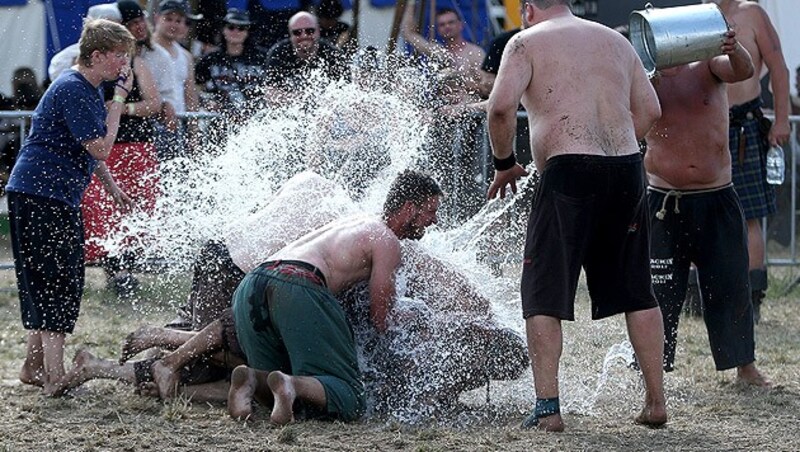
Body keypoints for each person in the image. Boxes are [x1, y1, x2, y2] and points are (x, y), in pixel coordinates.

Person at [486, 0, 666, 431]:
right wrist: (614, 148)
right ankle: (656, 401)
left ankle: (548, 409)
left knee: (543, 289)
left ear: (528, 9)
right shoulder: (615, 42)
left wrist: (505, 162)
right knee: (637, 290)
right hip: (625, 168)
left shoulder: (525, 42)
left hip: (567, 170)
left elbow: (499, 108)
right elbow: (651, 111)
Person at [227, 170, 442, 425]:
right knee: (349, 397)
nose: (434, 220)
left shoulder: (356, 222)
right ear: (409, 208)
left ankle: (252, 379)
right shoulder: (386, 241)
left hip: (253, 283)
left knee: (285, 391)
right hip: (297, 284)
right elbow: (382, 319)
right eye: (430, 211)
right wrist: (419, 316)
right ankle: (290, 383)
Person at [5, 18, 135, 396]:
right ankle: (54, 377)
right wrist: (121, 98)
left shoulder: (86, 87)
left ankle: (34, 369)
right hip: (41, 195)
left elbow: (92, 154)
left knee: (51, 279)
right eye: (118, 57)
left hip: (44, 194)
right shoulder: (77, 88)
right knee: (57, 281)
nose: (124, 66)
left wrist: (111, 187)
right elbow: (101, 147)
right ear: (96, 56)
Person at [644, 30, 772, 386]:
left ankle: (744, 366)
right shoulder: (643, 74)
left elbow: (743, 70)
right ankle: (652, 368)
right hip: (663, 202)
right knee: (659, 291)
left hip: (716, 197)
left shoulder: (707, 64)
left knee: (731, 284)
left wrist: (735, 48)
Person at [709, 0, 791, 322]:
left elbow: (779, 67)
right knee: (698, 211)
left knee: (748, 216)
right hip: (707, 124)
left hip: (743, 124)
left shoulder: (752, 13)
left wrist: (782, 119)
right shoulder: (698, 16)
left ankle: (752, 296)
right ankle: (698, 293)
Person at [82, 0, 164, 297]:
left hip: (136, 146)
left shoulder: (136, 64)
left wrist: (122, 106)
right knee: (104, 210)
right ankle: (115, 269)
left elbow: (153, 104)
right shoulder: (84, 68)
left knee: (135, 208)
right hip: (104, 147)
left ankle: (127, 269)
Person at [195, 8, 269, 118]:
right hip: (218, 120)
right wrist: (206, 102)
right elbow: (193, 86)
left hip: (255, 119)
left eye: (241, 28)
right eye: (231, 27)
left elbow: (272, 85)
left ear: (247, 32)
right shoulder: (210, 59)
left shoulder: (261, 57)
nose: (236, 32)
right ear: (223, 30)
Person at [400, 2, 485, 95]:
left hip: (469, 106)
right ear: (439, 30)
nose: (447, 26)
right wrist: (410, 3)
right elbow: (408, 34)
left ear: (460, 25)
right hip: (442, 106)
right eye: (442, 24)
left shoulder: (475, 53)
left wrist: (460, 80)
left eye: (451, 22)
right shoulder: (439, 52)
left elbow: (486, 87)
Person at [263, 11, 348, 98]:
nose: (304, 36)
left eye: (310, 31)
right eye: (297, 32)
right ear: (290, 34)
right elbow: (271, 94)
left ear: (318, 31)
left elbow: (346, 93)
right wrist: (306, 98)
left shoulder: (333, 54)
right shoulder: (279, 53)